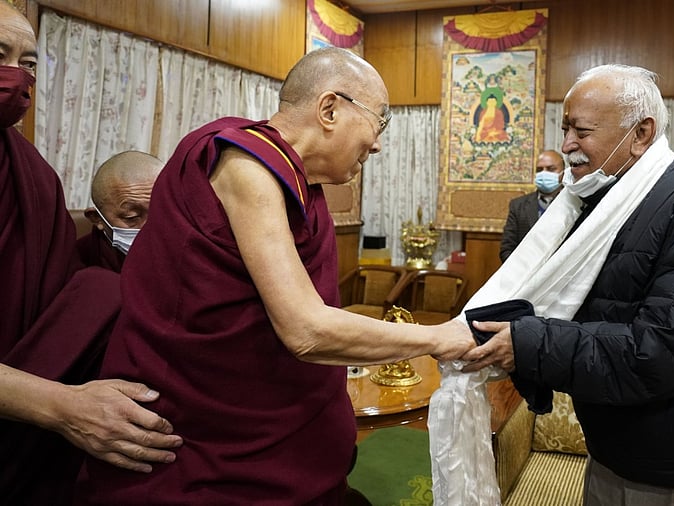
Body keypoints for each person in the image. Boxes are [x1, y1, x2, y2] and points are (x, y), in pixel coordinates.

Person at [76, 46, 475, 505]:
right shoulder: (246, 163)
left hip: (293, 444)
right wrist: (441, 337)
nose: (379, 142)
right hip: (215, 462)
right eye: (380, 121)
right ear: (329, 108)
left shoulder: (303, 186)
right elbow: (305, 330)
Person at [461, 64, 674, 505]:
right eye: (565, 129)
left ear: (641, 133)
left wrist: (528, 343)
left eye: (582, 131)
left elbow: (661, 353)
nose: (567, 145)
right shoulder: (599, 205)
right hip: (622, 455)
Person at [0, 4, 182, 504]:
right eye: (1, 55)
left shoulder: (32, 177)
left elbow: (62, 321)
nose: (17, 76)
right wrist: (62, 407)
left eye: (30, 63)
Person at [77, 150, 164, 272]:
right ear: (97, 218)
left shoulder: (189, 251)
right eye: (131, 217)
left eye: (161, 212)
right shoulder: (77, 262)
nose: (148, 228)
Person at [499, 149, 565, 262]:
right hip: (525, 273)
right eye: (539, 170)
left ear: (563, 172)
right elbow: (507, 249)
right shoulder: (518, 206)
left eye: (551, 169)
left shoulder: (576, 203)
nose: (544, 173)